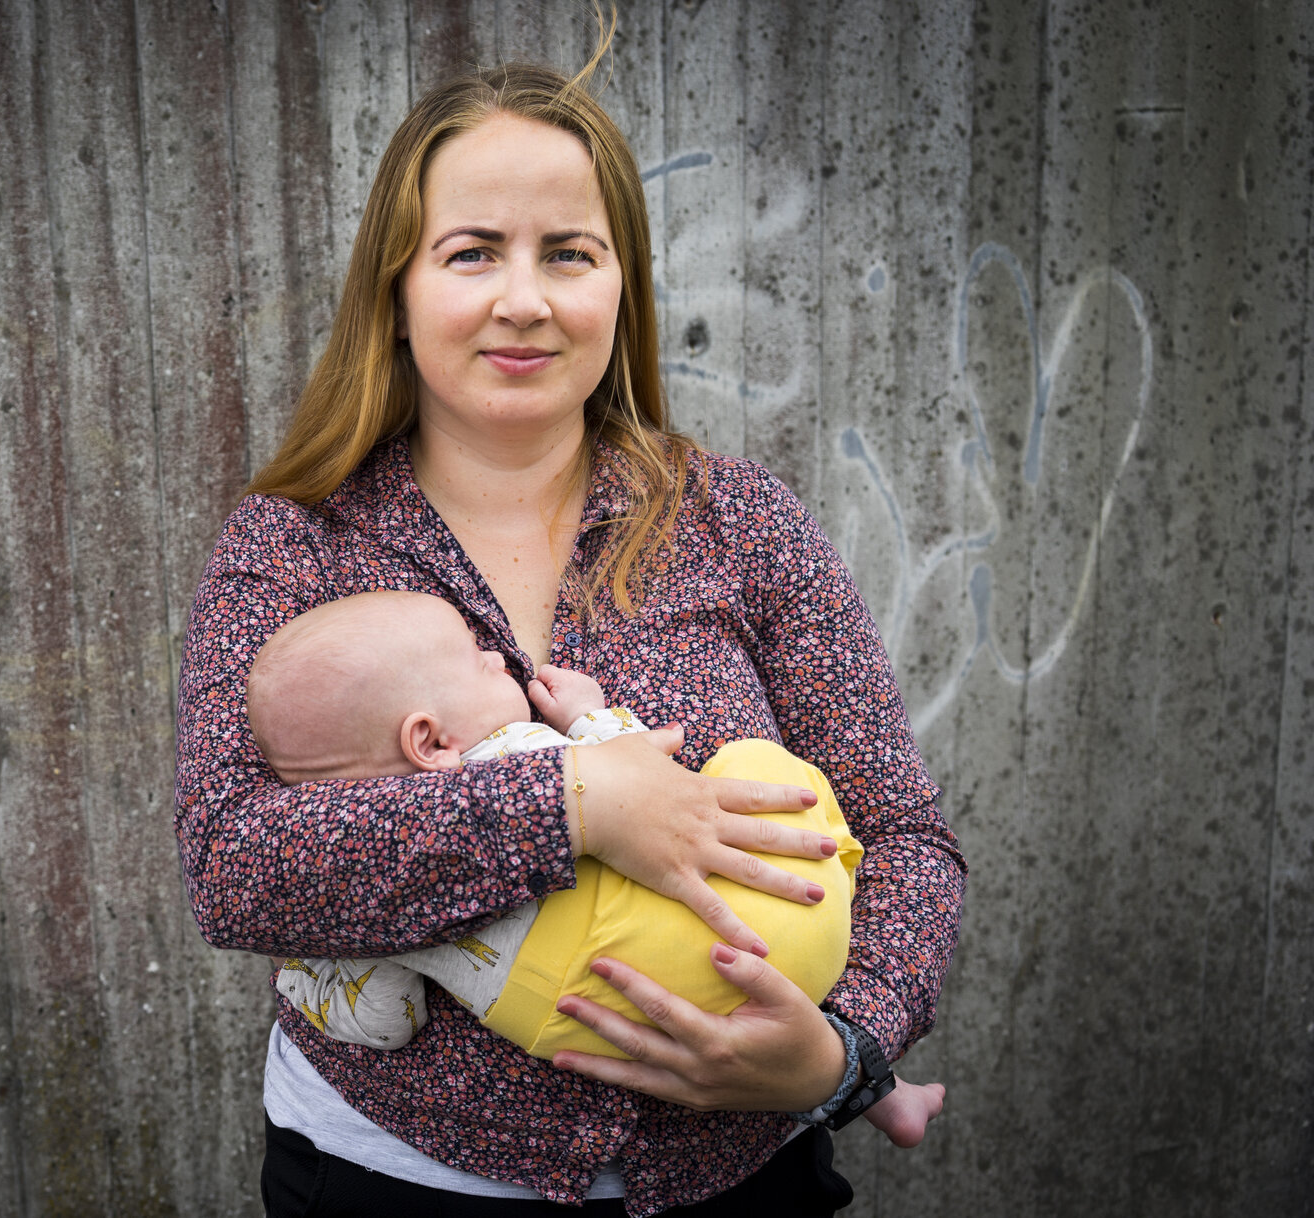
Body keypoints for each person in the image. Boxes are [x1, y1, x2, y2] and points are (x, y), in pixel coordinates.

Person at [174, 46, 964, 1215]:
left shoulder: (740, 522)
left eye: (567, 253)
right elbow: (233, 868)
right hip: (388, 1184)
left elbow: (902, 836)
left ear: (620, 287)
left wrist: (840, 1053)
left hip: (739, 1182)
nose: (523, 300)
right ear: (396, 289)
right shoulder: (290, 544)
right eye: (471, 252)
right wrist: (572, 805)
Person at [245, 588, 943, 1151]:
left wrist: (307, 970)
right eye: (475, 657)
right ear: (427, 740)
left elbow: (386, 1021)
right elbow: (646, 768)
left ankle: (863, 1086)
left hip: (572, 1012)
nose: (497, 656)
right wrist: (588, 716)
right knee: (755, 765)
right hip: (774, 943)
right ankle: (867, 1084)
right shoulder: (520, 751)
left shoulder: (381, 896)